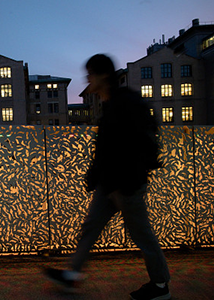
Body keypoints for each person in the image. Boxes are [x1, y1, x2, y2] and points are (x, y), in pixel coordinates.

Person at [45, 54, 171, 300]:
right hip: (110, 183)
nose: (88, 79)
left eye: (90, 74)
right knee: (91, 227)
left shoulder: (126, 103)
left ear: (102, 75)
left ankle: (160, 285)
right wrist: (95, 175)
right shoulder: (114, 103)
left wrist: (133, 173)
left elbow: (142, 139)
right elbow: (106, 148)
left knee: (141, 233)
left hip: (126, 183)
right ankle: (73, 275)